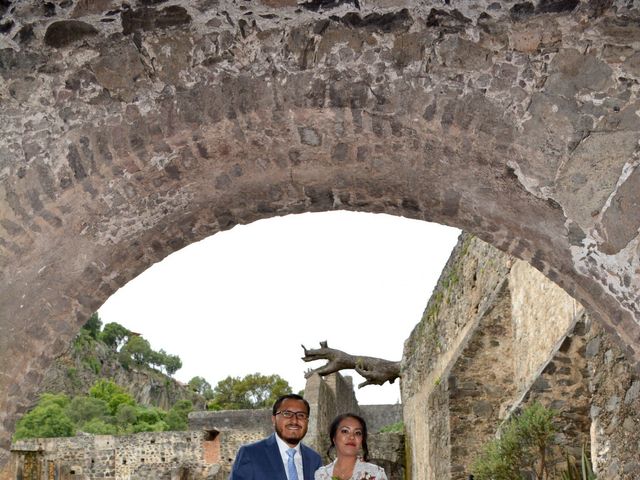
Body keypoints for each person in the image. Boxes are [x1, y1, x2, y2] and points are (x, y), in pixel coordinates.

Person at [229, 393, 323, 480]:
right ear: (274, 419)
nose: (294, 421)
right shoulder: (250, 454)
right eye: (287, 414)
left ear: (307, 422)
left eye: (301, 415)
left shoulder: (314, 459)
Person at [314, 413, 388, 480]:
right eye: (345, 431)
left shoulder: (376, 474)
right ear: (334, 438)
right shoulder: (320, 475)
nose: (352, 437)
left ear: (362, 440)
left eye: (357, 433)